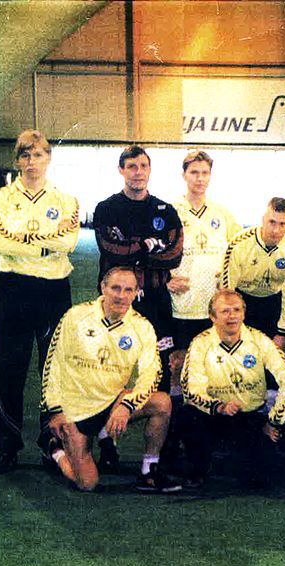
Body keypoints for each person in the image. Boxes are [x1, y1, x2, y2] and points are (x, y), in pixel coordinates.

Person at [37, 267, 180, 492]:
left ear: (136, 293)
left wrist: (126, 405)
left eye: (128, 290)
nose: (121, 296)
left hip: (112, 402)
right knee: (87, 483)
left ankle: (149, 471)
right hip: (75, 407)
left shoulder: (142, 327)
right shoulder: (76, 316)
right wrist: (55, 411)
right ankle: (54, 449)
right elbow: (53, 364)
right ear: (103, 288)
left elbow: (151, 375)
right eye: (115, 288)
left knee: (162, 403)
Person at [0, 130, 79, 474]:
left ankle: (51, 444)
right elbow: (1, 244)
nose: (32, 162)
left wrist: (25, 243)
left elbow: (68, 242)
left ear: (48, 159)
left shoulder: (66, 200)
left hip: (53, 290)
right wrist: (44, 245)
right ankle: (7, 446)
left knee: (52, 371)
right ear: (17, 161)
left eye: (38, 155)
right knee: (9, 369)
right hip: (13, 289)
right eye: (25, 155)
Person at [179, 289, 285, 488]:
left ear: (244, 313)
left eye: (237, 310)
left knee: (262, 478)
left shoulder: (259, 340)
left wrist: (274, 421)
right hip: (214, 415)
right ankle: (198, 466)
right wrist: (218, 406)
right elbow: (191, 387)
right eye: (225, 311)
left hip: (250, 417)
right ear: (212, 316)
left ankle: (237, 460)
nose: (232, 316)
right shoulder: (200, 343)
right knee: (186, 414)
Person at [92, 145, 184, 394]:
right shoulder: (106, 208)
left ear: (150, 170)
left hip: (156, 299)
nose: (138, 172)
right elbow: (111, 249)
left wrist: (133, 250)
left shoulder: (165, 210)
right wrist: (149, 246)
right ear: (121, 170)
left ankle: (160, 411)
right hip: (118, 297)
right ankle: (108, 415)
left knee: (160, 360)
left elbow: (174, 255)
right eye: (132, 166)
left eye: (143, 166)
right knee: (113, 359)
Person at [167, 150, 241, 383]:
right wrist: (166, 280)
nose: (200, 178)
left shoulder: (223, 213)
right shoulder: (171, 211)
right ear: (184, 175)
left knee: (212, 363)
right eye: (194, 172)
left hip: (214, 304)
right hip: (182, 304)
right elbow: (155, 253)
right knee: (179, 362)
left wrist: (229, 280)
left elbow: (238, 252)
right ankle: (177, 404)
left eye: (205, 173)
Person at [221, 197, 285, 354]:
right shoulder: (239, 244)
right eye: (272, 222)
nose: (276, 230)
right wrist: (230, 327)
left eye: (282, 224)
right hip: (243, 301)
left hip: (273, 303)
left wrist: (283, 332)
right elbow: (227, 292)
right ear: (263, 220)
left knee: (273, 356)